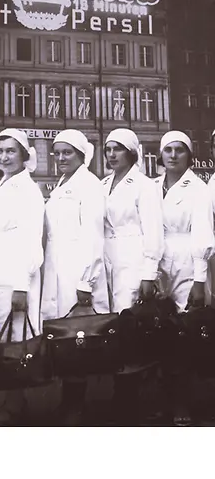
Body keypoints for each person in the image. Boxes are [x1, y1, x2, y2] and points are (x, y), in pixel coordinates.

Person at [0, 128, 45, 426]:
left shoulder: (27, 190)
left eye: (11, 151)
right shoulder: (3, 185)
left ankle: (13, 406)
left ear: (25, 156)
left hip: (13, 276)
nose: (4, 156)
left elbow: (31, 239)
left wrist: (20, 286)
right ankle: (5, 401)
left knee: (15, 342)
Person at [41, 129, 107, 425]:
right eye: (57, 153)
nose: (60, 158)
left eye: (67, 152)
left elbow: (94, 236)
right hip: (58, 266)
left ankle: (76, 407)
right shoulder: (63, 183)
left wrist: (86, 281)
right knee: (66, 339)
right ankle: (67, 402)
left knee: (78, 338)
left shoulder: (89, 184)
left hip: (77, 270)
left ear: (82, 155)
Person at [101, 128, 163, 421]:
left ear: (132, 152)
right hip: (108, 263)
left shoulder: (144, 185)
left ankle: (128, 399)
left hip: (133, 260)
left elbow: (153, 231)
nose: (112, 155)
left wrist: (148, 273)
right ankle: (120, 392)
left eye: (118, 149)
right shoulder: (103, 185)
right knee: (113, 327)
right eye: (108, 149)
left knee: (129, 328)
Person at [154, 130, 213, 426]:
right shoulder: (153, 187)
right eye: (168, 150)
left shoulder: (197, 188)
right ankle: (160, 396)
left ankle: (182, 400)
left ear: (189, 156)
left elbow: (202, 234)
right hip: (158, 263)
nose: (173, 155)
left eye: (179, 150)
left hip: (187, 262)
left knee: (185, 334)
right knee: (159, 331)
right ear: (161, 155)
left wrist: (200, 280)